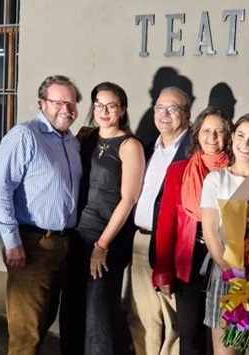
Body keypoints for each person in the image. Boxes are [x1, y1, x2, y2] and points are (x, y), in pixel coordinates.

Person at [0, 75, 82, 354]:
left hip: (62, 244)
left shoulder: (71, 143)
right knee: (26, 334)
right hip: (30, 245)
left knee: (43, 325)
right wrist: (12, 242)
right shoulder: (25, 136)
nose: (66, 109)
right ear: (42, 103)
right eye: (58, 102)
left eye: (72, 103)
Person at [59, 82, 145, 354]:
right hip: (77, 236)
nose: (104, 111)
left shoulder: (130, 145)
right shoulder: (85, 138)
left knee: (99, 317)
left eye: (111, 106)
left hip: (106, 240)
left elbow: (129, 199)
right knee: (72, 310)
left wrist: (102, 245)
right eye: (98, 104)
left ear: (122, 110)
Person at [152, 106, 233, 355]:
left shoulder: (236, 173)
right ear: (196, 134)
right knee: (191, 334)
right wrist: (163, 270)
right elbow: (166, 224)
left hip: (225, 262)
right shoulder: (178, 171)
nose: (212, 137)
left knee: (218, 338)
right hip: (188, 261)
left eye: (219, 132)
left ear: (228, 137)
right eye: (207, 130)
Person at [201, 113, 249, 355]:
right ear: (232, 137)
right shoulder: (216, 179)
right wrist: (232, 273)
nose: (245, 144)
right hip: (226, 277)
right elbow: (210, 232)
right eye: (240, 136)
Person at [129, 87, 191, 355]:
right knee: (142, 318)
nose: (164, 114)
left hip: (174, 248)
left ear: (186, 115)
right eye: (159, 108)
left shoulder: (193, 153)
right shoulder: (146, 148)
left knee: (175, 323)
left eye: (172, 108)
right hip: (141, 242)